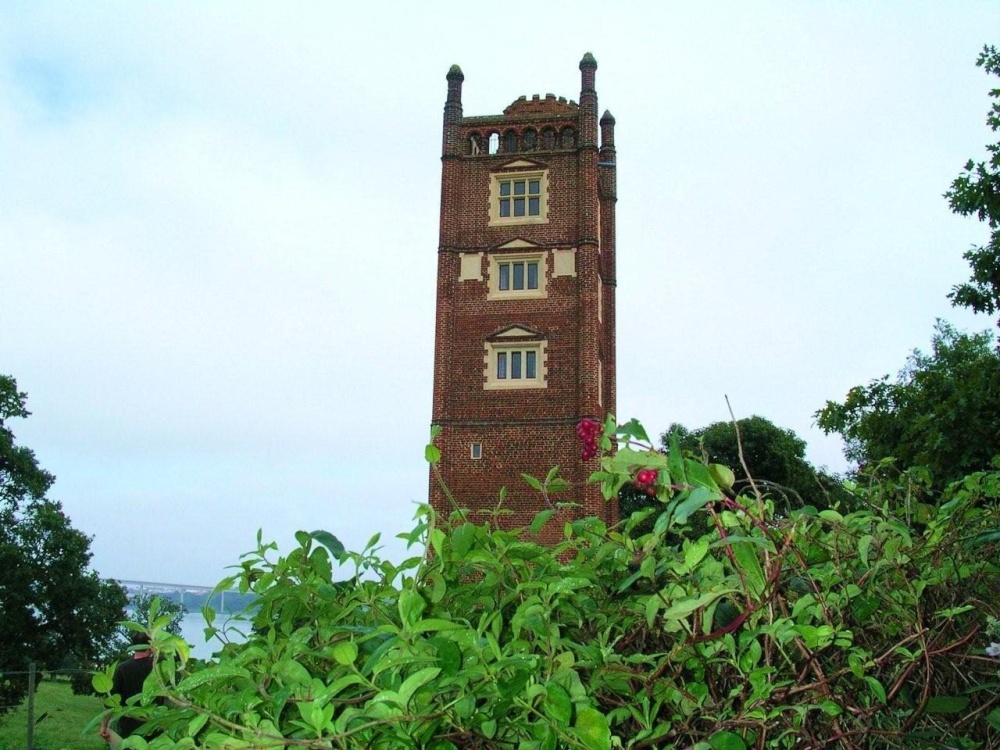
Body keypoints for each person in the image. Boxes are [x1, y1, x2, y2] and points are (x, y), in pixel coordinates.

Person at [100, 632, 155, 745]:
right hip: (154, 724)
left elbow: (111, 701)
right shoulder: (157, 667)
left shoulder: (123, 668)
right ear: (150, 644)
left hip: (129, 725)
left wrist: (104, 725)